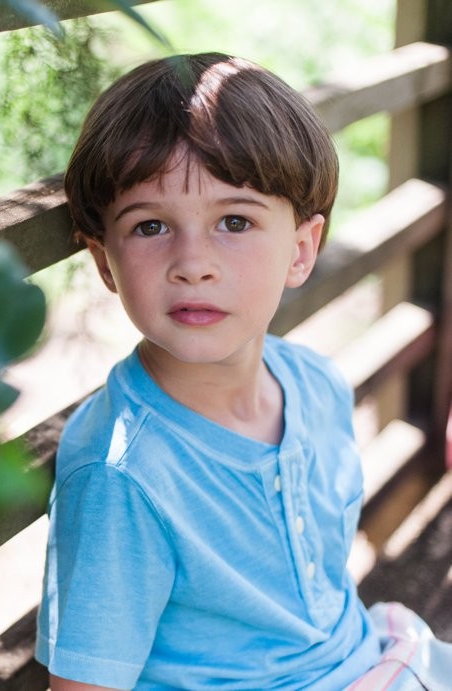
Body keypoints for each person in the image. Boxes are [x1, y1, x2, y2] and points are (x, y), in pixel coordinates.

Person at [34, 52, 452, 690]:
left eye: (235, 221)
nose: (193, 262)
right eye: (150, 226)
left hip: (366, 660)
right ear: (104, 262)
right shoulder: (123, 474)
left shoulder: (315, 384)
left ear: (301, 249)